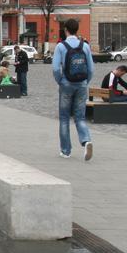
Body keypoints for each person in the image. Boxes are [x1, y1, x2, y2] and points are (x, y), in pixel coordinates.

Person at [52, 18, 94, 161]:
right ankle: (86, 140)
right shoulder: (85, 46)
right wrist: (85, 82)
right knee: (80, 117)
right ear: (77, 30)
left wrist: (61, 81)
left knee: (64, 118)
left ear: (65, 30)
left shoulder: (61, 46)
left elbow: (56, 68)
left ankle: (66, 150)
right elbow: (91, 69)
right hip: (81, 84)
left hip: (66, 84)